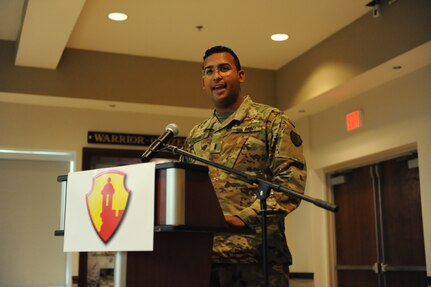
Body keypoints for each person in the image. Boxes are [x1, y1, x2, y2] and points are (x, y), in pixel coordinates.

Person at [182, 45, 306, 287]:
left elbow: (290, 184)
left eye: (224, 68)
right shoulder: (196, 135)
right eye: (209, 71)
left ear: (240, 76)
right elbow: (187, 191)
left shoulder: (271, 121)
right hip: (206, 258)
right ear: (203, 82)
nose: (216, 76)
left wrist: (245, 217)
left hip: (257, 259)